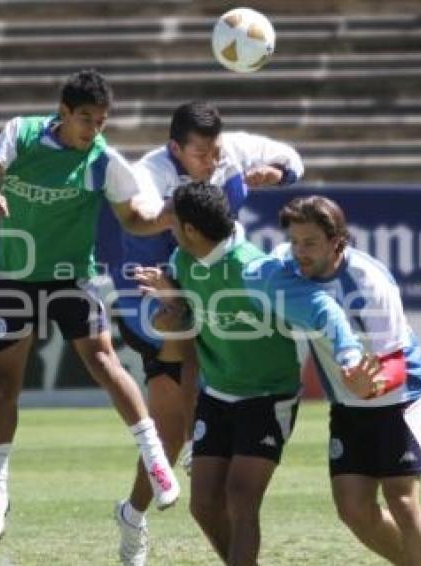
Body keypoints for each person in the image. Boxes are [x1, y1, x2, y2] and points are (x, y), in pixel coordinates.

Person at [0, 69, 180, 543]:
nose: (94, 130)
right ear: (63, 113)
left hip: (71, 278)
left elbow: (134, 219)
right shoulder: (21, 133)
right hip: (14, 278)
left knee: (105, 361)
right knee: (5, 384)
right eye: (86, 119)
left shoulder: (103, 161)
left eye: (101, 121)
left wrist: (168, 218)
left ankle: (156, 460)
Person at [135, 181, 369, 565]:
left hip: (268, 396)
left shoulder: (256, 270)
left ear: (191, 229)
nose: (167, 227)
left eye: (171, 221)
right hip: (218, 395)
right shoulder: (181, 263)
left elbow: (324, 309)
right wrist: (171, 305)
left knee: (241, 496)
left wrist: (348, 354)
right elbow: (175, 328)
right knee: (204, 505)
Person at [111, 101, 303, 564]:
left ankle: (140, 506)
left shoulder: (231, 152)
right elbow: (138, 217)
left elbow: (294, 160)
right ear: (175, 148)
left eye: (216, 152)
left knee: (178, 427)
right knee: (176, 415)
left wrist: (276, 175)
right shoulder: (149, 172)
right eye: (201, 155)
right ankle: (153, 494)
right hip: (151, 286)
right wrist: (185, 209)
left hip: (206, 276)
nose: (213, 163)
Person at [277, 195, 421, 565]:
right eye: (295, 242)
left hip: (400, 396)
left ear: (337, 243)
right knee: (353, 508)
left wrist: (371, 385)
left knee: (401, 499)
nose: (299, 252)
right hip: (349, 402)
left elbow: (398, 362)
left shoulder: (368, 282)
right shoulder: (288, 269)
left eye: (310, 243)